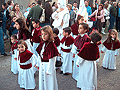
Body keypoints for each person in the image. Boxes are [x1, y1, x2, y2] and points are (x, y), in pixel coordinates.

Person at [36, 25, 58, 90]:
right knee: (42, 81)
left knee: (49, 82)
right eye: (42, 34)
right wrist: (38, 64)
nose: (43, 36)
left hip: (48, 66)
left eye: (45, 34)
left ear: (50, 34)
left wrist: (50, 70)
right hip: (42, 65)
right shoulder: (42, 43)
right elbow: (39, 55)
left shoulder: (51, 45)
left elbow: (52, 59)